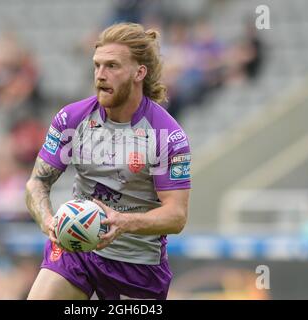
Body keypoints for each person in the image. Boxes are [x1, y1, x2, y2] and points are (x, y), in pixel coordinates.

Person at [25, 23, 191, 300]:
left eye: (112, 66)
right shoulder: (72, 119)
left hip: (137, 266)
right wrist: (48, 221)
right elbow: (37, 182)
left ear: (139, 72)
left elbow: (176, 216)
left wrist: (122, 222)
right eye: (97, 65)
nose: (101, 75)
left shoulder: (166, 135)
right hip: (76, 249)